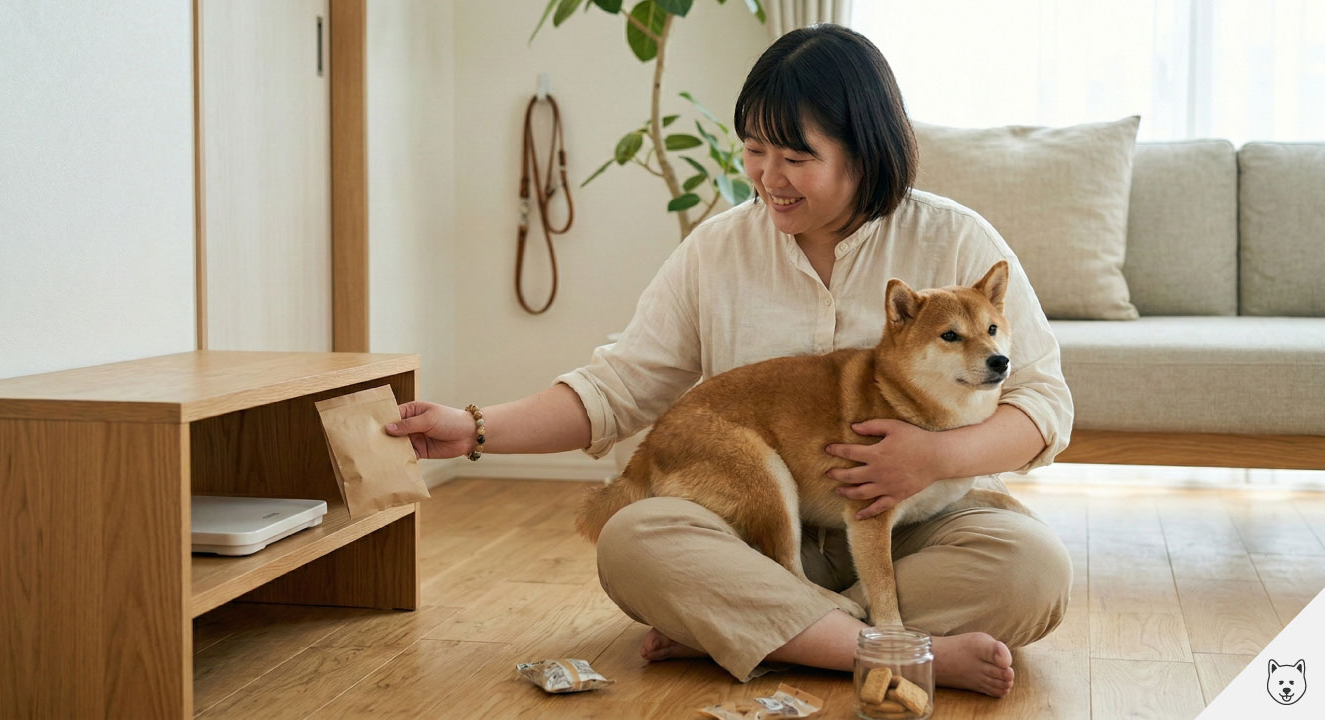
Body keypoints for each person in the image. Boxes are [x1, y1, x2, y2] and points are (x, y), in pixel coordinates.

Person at [386, 24, 1073, 699]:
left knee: (1033, 572)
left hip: (919, 529)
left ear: (862, 151)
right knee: (632, 540)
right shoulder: (719, 249)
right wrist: (473, 429)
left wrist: (933, 458)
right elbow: (620, 387)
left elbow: (1045, 405)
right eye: (754, 150)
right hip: (757, 536)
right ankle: (882, 648)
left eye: (796, 158)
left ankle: (765, 631)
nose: (768, 178)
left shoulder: (953, 236)